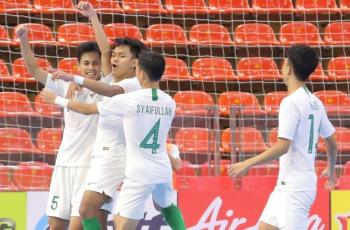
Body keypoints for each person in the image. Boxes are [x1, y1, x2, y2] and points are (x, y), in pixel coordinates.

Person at [42, 50, 186, 230]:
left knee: (118, 223)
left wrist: (56, 99)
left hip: (139, 172)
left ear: (140, 73)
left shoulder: (129, 100)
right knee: (167, 206)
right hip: (162, 169)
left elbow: (87, 109)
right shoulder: (170, 102)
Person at [228, 45, 338, 230]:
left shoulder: (291, 103)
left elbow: (282, 147)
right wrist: (331, 168)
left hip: (295, 189)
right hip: (288, 185)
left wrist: (245, 163)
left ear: (288, 66)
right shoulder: (315, 102)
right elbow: (332, 141)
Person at [15, 25, 109, 229]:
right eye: (86, 63)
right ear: (78, 66)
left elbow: (87, 108)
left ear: (101, 65)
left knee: (78, 226)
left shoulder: (107, 89)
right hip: (64, 163)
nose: (91, 67)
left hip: (90, 167)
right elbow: (34, 69)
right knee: (55, 225)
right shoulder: (66, 85)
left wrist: (56, 99)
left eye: (95, 63)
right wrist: (23, 39)